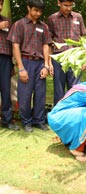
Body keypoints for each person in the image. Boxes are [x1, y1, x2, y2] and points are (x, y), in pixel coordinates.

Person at [7, 0, 52, 132]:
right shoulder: (19, 25)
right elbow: (15, 46)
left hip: (40, 63)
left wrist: (46, 66)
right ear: (29, 8)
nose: (38, 13)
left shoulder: (44, 26)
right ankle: (26, 121)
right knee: (24, 94)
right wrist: (20, 68)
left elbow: (46, 46)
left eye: (40, 11)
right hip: (25, 61)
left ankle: (39, 120)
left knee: (40, 94)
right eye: (35, 10)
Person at [47, 0, 86, 106]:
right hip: (58, 58)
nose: (68, 8)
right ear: (58, 3)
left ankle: (73, 115)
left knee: (75, 89)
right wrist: (49, 62)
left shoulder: (78, 17)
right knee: (59, 90)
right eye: (65, 5)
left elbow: (84, 39)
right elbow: (48, 41)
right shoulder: (52, 18)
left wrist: (84, 59)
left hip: (75, 58)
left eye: (71, 5)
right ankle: (59, 116)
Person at [0, 0, 19, 131]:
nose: (0, 7)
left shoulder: (7, 21)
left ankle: (7, 120)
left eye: (1, 4)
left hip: (5, 59)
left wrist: (12, 64)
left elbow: (11, 43)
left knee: (6, 90)